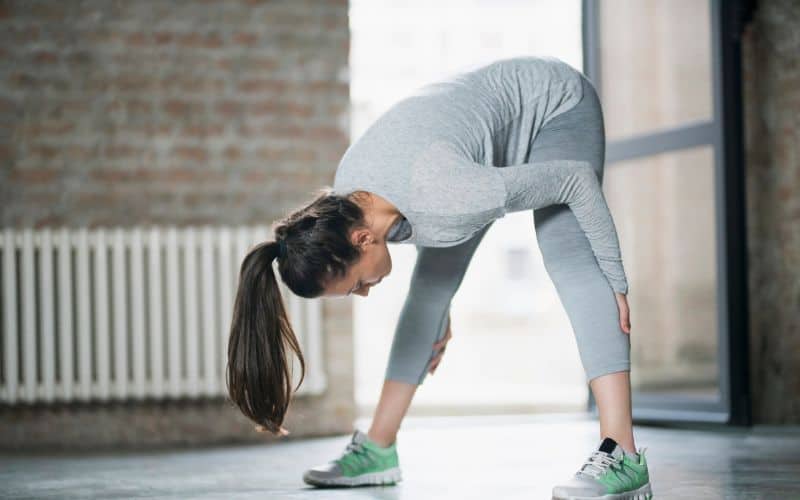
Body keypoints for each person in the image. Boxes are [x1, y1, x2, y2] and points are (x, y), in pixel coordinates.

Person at [226, 55, 653, 499]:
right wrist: (440, 303)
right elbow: (434, 200)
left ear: (362, 239)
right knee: (429, 291)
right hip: (461, 164)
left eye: (356, 285)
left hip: (555, 106)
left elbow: (576, 181)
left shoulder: (448, 196)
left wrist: (615, 279)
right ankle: (378, 448)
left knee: (570, 257)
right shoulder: (350, 198)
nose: (365, 294)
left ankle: (623, 453)